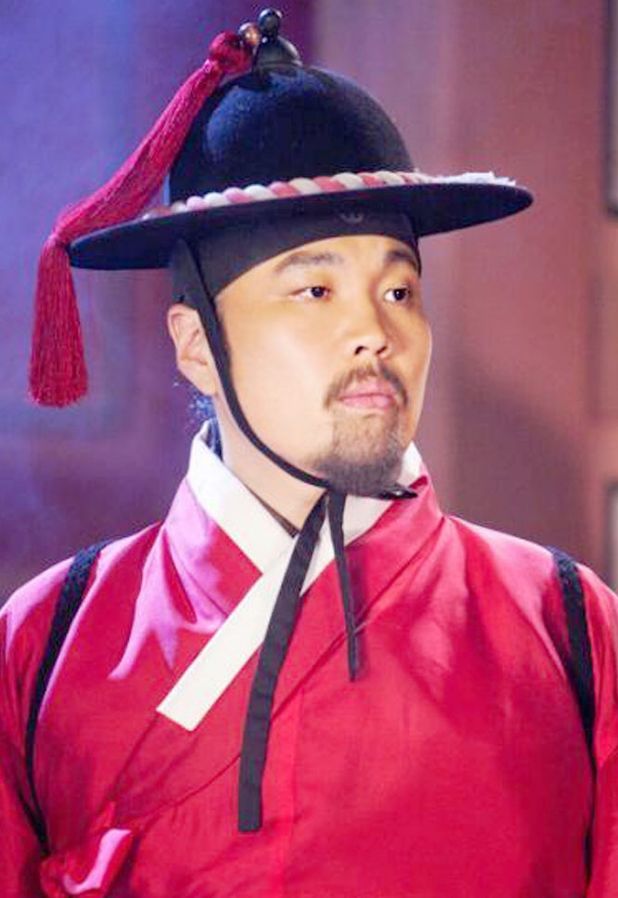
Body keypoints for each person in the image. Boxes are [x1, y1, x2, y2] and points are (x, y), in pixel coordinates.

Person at [2, 9, 617, 898]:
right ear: (197, 346)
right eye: (317, 291)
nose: (375, 332)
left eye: (399, 290)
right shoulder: (48, 646)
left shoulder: (569, 629)